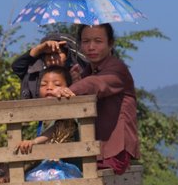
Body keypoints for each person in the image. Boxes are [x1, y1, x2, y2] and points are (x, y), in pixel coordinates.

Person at [46, 23, 138, 175]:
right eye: (86, 41)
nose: (91, 47)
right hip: (96, 150)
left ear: (110, 44)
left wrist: (69, 89)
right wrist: (76, 80)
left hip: (114, 152)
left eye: (98, 41)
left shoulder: (116, 68)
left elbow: (97, 84)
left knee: (65, 174)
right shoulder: (88, 71)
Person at [15, 66, 78, 154]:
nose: (49, 87)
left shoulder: (71, 109)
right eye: (43, 85)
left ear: (68, 88)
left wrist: (34, 141)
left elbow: (56, 128)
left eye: (57, 84)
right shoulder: (43, 116)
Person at [11, 32, 82, 100]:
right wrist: (39, 49)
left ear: (67, 55)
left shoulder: (79, 72)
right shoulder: (33, 74)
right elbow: (17, 67)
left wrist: (76, 85)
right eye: (48, 54)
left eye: (57, 53)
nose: (52, 58)